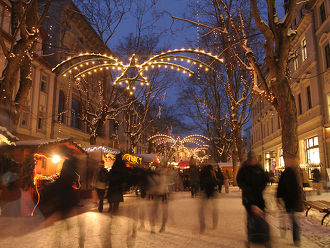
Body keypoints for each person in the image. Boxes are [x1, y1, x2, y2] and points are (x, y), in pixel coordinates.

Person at [237, 151, 270, 247]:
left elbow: (265, 179)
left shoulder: (259, 168)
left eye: (255, 158)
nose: (254, 160)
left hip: (259, 196)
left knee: (262, 215)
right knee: (250, 217)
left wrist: (263, 185)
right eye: (252, 159)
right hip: (248, 197)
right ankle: (250, 237)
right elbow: (239, 181)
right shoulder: (244, 169)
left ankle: (265, 237)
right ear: (249, 159)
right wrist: (247, 188)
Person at [277, 162, 304, 246]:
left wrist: (278, 197)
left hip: (288, 201)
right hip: (291, 201)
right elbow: (296, 188)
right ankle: (296, 239)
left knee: (292, 218)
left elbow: (280, 187)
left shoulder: (286, 173)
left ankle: (292, 235)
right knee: (293, 219)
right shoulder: (291, 174)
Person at [199, 165, 218, 233]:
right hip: (211, 192)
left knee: (202, 211)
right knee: (214, 210)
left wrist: (201, 189)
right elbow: (215, 183)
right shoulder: (213, 173)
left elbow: (200, 183)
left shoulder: (202, 173)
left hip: (205, 192)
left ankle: (202, 227)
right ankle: (214, 223)